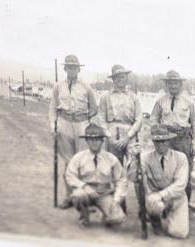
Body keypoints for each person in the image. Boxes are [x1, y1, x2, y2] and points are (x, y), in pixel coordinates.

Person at [49, 55, 98, 209]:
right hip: (64, 124)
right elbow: (52, 108)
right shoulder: (58, 86)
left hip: (81, 125)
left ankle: (85, 197)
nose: (71, 69)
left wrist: (84, 119)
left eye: (74, 67)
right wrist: (53, 126)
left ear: (78, 69)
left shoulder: (86, 87)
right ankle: (69, 196)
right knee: (68, 163)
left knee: (84, 162)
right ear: (65, 68)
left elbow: (94, 109)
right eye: (69, 66)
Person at [128, 125, 189, 238]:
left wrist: (161, 195)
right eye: (157, 141)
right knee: (154, 204)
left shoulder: (181, 158)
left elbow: (181, 185)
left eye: (163, 141)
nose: (160, 144)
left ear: (169, 140)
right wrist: (134, 158)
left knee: (179, 233)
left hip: (177, 197)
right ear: (153, 141)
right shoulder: (145, 158)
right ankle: (154, 218)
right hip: (155, 197)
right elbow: (133, 177)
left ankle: (170, 214)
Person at [98, 64, 142, 212]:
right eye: (117, 77)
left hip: (129, 135)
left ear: (126, 78)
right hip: (112, 136)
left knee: (135, 171)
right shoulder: (105, 97)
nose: (120, 80)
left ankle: (142, 207)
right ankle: (116, 205)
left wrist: (128, 137)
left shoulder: (133, 97)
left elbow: (139, 119)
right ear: (113, 79)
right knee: (113, 170)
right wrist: (109, 136)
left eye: (122, 76)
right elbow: (101, 118)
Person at [65, 123, 127, 227]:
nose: (94, 142)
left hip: (104, 193)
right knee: (77, 196)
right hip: (86, 192)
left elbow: (121, 180)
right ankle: (84, 216)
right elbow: (70, 175)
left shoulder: (111, 158)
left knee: (118, 218)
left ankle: (105, 216)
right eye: (91, 139)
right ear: (87, 141)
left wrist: (116, 200)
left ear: (102, 141)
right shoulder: (79, 157)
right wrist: (84, 186)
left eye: (97, 139)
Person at [150, 70, 195, 201]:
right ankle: (166, 203)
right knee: (166, 170)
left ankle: (185, 204)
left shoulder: (189, 101)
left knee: (185, 170)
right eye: (170, 83)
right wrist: (158, 131)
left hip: (183, 138)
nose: (173, 86)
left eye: (175, 83)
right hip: (166, 139)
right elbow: (153, 118)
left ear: (180, 84)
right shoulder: (160, 101)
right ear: (166, 85)